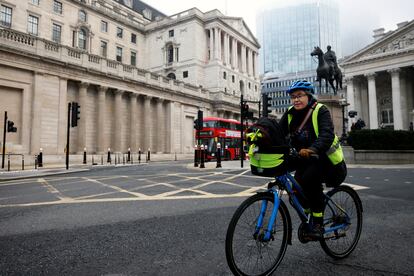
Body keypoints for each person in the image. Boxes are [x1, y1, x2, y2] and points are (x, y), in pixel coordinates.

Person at [279, 80, 347, 240]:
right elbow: (278, 133)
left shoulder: (320, 110)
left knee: (310, 180)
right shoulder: (290, 113)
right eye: (293, 97)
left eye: (300, 96)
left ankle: (317, 223)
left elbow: (327, 135)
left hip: (326, 160)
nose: (296, 100)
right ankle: (310, 214)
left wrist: (312, 149)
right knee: (295, 191)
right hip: (304, 158)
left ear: (308, 96)